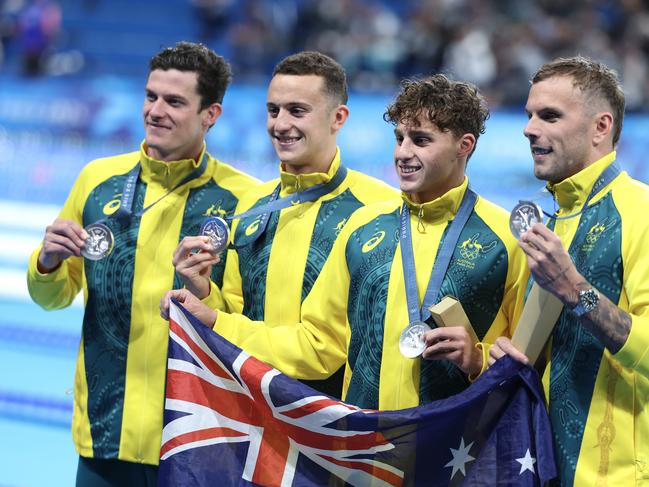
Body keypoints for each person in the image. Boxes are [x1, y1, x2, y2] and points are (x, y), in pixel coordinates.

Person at [163, 74, 528, 410]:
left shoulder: (504, 239)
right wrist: (213, 318)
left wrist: (477, 360)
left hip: (457, 452)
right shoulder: (364, 226)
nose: (402, 153)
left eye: (421, 140)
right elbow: (319, 345)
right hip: (362, 449)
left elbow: (531, 362)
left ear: (464, 145)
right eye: (399, 138)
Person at [27, 42, 258, 486]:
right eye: (150, 96)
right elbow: (52, 299)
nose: (155, 111)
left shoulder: (242, 199)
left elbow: (248, 320)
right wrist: (48, 262)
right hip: (105, 430)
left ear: (211, 114)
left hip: (195, 435)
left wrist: (203, 295)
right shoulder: (97, 180)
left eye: (174, 101)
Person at [171, 51, 397, 398]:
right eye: (273, 110)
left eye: (297, 111)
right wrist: (201, 289)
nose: (279, 124)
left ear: (338, 118)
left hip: (331, 421)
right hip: (253, 413)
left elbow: (330, 350)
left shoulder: (379, 208)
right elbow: (233, 311)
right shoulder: (252, 205)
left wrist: (217, 322)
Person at [488, 56, 649, 486]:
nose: (528, 128)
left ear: (601, 127)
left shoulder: (641, 213)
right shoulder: (550, 223)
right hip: (540, 466)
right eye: (528, 115)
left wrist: (576, 289)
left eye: (550, 116)